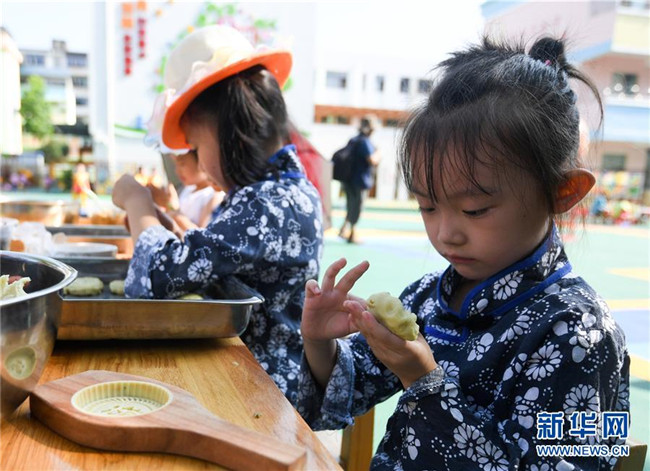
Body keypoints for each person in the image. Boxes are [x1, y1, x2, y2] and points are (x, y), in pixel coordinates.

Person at [296, 37, 630, 470]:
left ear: (563, 192)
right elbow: (353, 382)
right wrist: (319, 341)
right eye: (427, 206)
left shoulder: (580, 332)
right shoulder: (429, 297)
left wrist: (423, 380)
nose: (445, 234)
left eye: (474, 210)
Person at [111, 25, 323, 403]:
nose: (199, 162)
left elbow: (159, 276)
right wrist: (169, 227)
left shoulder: (268, 205)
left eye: (196, 146)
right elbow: (209, 258)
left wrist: (137, 201)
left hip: (262, 395)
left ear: (230, 135)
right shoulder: (274, 194)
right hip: (241, 374)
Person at [147, 150, 224, 231]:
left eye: (182, 164)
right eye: (175, 165)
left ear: (201, 162)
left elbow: (203, 234)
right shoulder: (187, 190)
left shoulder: (214, 195)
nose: (177, 171)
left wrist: (170, 206)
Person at [338, 115, 380, 244]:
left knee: (350, 205)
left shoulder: (353, 140)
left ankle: (344, 229)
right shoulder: (365, 142)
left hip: (348, 179)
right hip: (360, 180)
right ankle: (352, 233)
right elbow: (372, 160)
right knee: (357, 206)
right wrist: (378, 154)